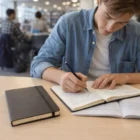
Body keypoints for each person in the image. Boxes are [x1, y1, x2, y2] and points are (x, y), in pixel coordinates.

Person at [31, 0, 140, 93]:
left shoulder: (136, 31)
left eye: (122, 23)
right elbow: (38, 64)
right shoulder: (69, 23)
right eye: (108, 16)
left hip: (116, 96)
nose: (110, 28)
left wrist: (125, 77)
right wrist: (60, 77)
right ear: (98, 1)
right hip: (77, 95)